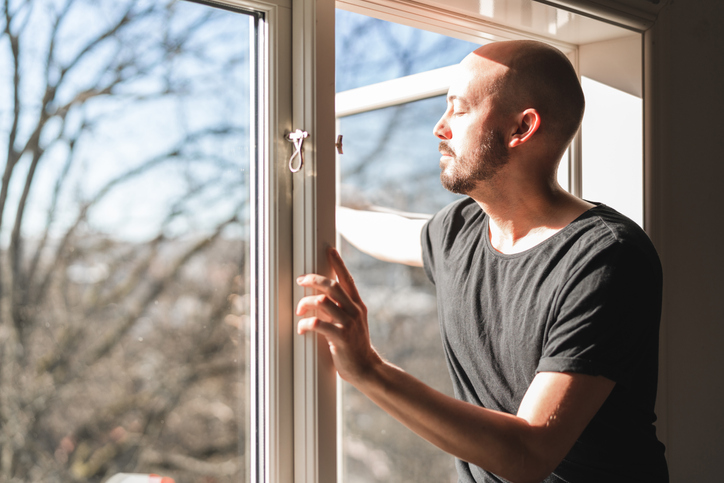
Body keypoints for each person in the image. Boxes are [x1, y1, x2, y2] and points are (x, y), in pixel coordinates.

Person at [296, 40, 668, 482]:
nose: (439, 127)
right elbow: (383, 231)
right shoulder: (460, 231)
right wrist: (315, 181)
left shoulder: (606, 258)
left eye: (459, 109)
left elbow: (529, 454)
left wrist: (369, 369)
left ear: (521, 128)